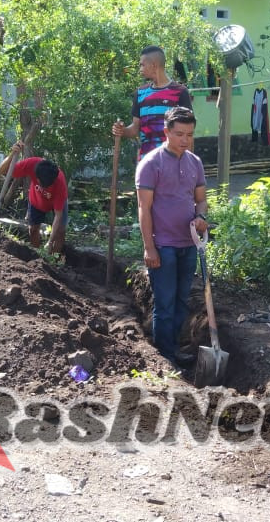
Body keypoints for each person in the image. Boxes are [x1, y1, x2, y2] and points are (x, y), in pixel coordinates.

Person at [135, 106, 207, 368]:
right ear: (166, 132)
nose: (185, 140)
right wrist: (149, 247)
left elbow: (201, 201)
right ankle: (164, 358)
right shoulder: (151, 164)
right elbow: (144, 208)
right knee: (164, 304)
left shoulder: (194, 162)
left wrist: (201, 218)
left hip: (189, 245)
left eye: (189, 134)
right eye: (179, 134)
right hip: (163, 246)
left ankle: (173, 349)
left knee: (181, 301)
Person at [112, 46, 192, 159]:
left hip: (172, 162)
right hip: (146, 163)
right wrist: (122, 131)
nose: (140, 69)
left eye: (142, 65)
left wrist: (188, 165)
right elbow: (135, 129)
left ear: (153, 65)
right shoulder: (140, 93)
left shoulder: (180, 92)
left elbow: (188, 132)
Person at [0, 142, 67, 254]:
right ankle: (36, 257)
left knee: (60, 232)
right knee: (33, 229)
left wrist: (50, 242)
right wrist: (12, 154)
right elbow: (1, 171)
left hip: (56, 202)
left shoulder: (60, 182)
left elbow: (58, 216)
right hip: (37, 201)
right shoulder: (32, 164)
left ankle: (55, 262)